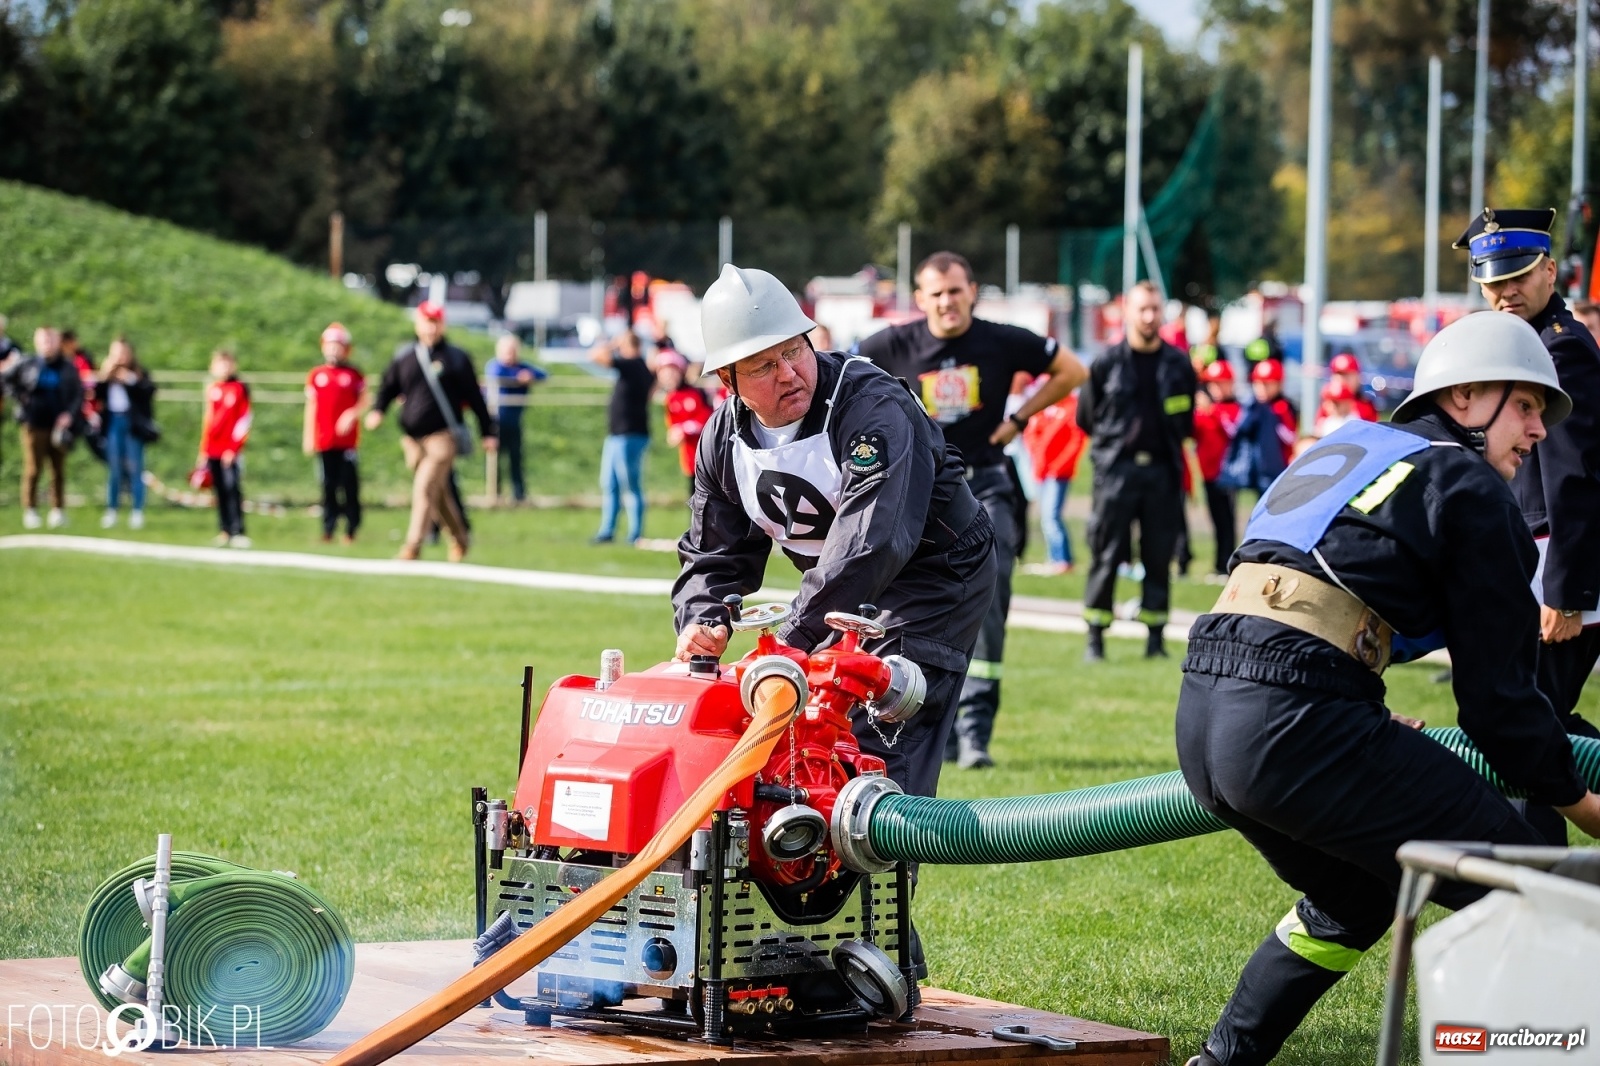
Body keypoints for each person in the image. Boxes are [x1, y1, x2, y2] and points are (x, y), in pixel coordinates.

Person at [1177, 312, 1600, 1066]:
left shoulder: (1352, 445)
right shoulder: (1470, 483)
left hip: (1206, 710)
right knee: (1533, 887)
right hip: (1295, 720)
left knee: (1353, 900)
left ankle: (1219, 1063)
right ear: (1466, 396)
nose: (1540, 430)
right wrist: (1582, 803)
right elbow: (1499, 706)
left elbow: (1309, 587)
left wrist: (1352, 706)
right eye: (1528, 405)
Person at [673, 263, 997, 803]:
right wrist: (700, 621)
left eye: (794, 351)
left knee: (875, 733)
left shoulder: (871, 408)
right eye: (763, 365)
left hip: (934, 575)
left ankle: (888, 848)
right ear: (728, 381)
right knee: (799, 736)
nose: (788, 373)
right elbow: (714, 552)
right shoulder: (722, 439)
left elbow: (872, 540)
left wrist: (792, 641)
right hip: (842, 588)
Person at [859, 250, 1086, 769]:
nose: (947, 301)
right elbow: (838, 382)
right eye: (936, 293)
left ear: (972, 292)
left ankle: (975, 733)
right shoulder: (889, 345)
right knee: (900, 603)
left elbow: (1071, 371)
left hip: (985, 485)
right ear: (920, 298)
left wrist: (1019, 420)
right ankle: (919, 726)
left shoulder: (1001, 340)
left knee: (989, 597)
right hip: (916, 495)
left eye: (956, 291)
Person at [1453, 209, 1600, 754]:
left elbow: (1576, 477)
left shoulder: (1560, 348)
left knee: (1529, 724)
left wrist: (1567, 595)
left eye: (1519, 275)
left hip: (1557, 571)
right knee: (1530, 722)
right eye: (1494, 281)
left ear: (1550, 272)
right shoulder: (1522, 344)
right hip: (1531, 563)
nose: (1506, 291)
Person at [1077, 280, 1198, 661]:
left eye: (1155, 309)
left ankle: (1156, 639)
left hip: (1163, 472)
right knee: (1106, 552)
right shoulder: (1106, 364)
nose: (1149, 316)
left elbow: (1187, 419)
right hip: (1117, 472)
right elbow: (1086, 417)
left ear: (1162, 313)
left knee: (1159, 555)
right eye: (1142, 309)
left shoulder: (1178, 365)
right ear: (1127, 312)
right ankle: (1095, 638)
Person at [366, 301, 497, 562]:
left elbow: (475, 397)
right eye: (427, 322)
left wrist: (488, 431)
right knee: (440, 494)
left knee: (424, 487)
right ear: (417, 324)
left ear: (443, 325)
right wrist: (378, 410)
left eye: (436, 322)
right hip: (412, 439)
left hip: (443, 436)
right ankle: (460, 539)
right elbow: (388, 386)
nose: (431, 328)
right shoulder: (405, 356)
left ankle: (412, 546)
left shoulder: (456, 358)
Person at [1, 327, 82, 529]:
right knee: (33, 468)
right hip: (34, 424)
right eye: (44, 340)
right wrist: (20, 399)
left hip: (58, 427)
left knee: (58, 470)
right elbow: (6, 379)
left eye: (51, 340)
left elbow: (77, 394)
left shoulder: (67, 367)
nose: (48, 344)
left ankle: (58, 510)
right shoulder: (27, 363)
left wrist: (69, 415)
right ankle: (31, 510)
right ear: (37, 342)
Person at [589, 330, 654, 545]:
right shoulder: (642, 367)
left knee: (630, 485)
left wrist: (612, 344)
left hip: (629, 434)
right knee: (610, 483)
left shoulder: (633, 364)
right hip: (618, 434)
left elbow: (595, 356)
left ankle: (634, 533)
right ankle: (607, 530)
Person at [304, 322, 365, 543]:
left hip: (347, 443)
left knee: (349, 485)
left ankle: (351, 528)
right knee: (327, 486)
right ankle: (328, 528)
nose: (333, 350)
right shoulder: (316, 375)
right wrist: (308, 436)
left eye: (338, 345)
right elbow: (311, 407)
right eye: (330, 345)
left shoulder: (353, 374)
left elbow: (365, 400)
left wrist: (352, 414)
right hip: (324, 440)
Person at [1022, 385, 1087, 574]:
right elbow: (1031, 433)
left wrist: (1058, 466)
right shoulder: (1044, 407)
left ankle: (1062, 559)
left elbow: (1076, 440)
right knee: (1046, 516)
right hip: (1041, 471)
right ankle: (1054, 557)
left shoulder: (1072, 407)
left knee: (1052, 516)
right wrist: (1038, 461)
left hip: (1059, 473)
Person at [98, 337, 156, 530]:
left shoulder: (138, 373)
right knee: (114, 468)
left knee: (135, 467)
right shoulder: (108, 375)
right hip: (113, 423)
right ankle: (112, 509)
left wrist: (130, 380)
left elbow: (148, 391)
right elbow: (96, 395)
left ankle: (137, 511)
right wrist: (104, 376)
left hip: (132, 425)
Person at [483, 334, 547, 504]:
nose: (509, 354)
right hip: (495, 421)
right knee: (495, 459)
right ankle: (494, 494)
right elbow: (497, 375)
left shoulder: (522, 367)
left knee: (515, 459)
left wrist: (529, 376)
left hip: (514, 422)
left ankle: (519, 495)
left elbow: (543, 374)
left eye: (512, 351)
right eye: (506, 351)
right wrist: (518, 378)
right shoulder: (495, 366)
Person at [1193, 359, 1242, 577]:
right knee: (1215, 520)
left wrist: (1211, 411)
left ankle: (1227, 563)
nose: (1216, 388)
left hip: (1227, 475)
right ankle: (1218, 563)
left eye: (1221, 383)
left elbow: (1233, 431)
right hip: (1208, 474)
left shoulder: (1234, 409)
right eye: (1213, 384)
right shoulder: (1206, 411)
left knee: (1226, 521)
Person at [199, 349, 251, 548]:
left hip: (230, 450)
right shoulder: (212, 389)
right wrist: (203, 449)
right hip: (213, 448)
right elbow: (208, 420)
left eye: (228, 364)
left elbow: (244, 420)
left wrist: (234, 447)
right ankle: (224, 530)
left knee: (232, 488)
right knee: (219, 490)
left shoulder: (239, 388)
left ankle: (238, 530)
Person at [656, 349, 712, 495]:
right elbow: (672, 424)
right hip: (690, 458)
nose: (668, 377)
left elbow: (707, 419)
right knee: (694, 498)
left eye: (671, 372)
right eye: (664, 373)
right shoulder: (670, 399)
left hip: (709, 456)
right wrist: (675, 433)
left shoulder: (696, 393)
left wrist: (685, 429)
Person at [1324, 351, 1378, 421]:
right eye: (1339, 374)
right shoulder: (1328, 403)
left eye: (1347, 375)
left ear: (1357, 377)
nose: (1342, 379)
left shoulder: (1366, 405)